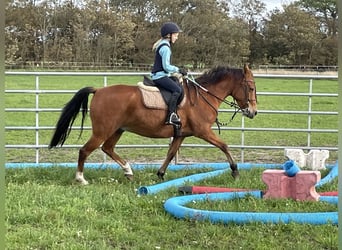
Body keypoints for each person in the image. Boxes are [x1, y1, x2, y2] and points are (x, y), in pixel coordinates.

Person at [151, 22, 187, 126]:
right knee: (177, 90)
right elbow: (166, 66)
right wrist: (179, 70)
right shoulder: (165, 48)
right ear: (169, 35)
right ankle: (170, 116)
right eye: (175, 35)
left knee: (177, 83)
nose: (177, 37)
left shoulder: (163, 45)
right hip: (160, 76)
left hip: (162, 75)